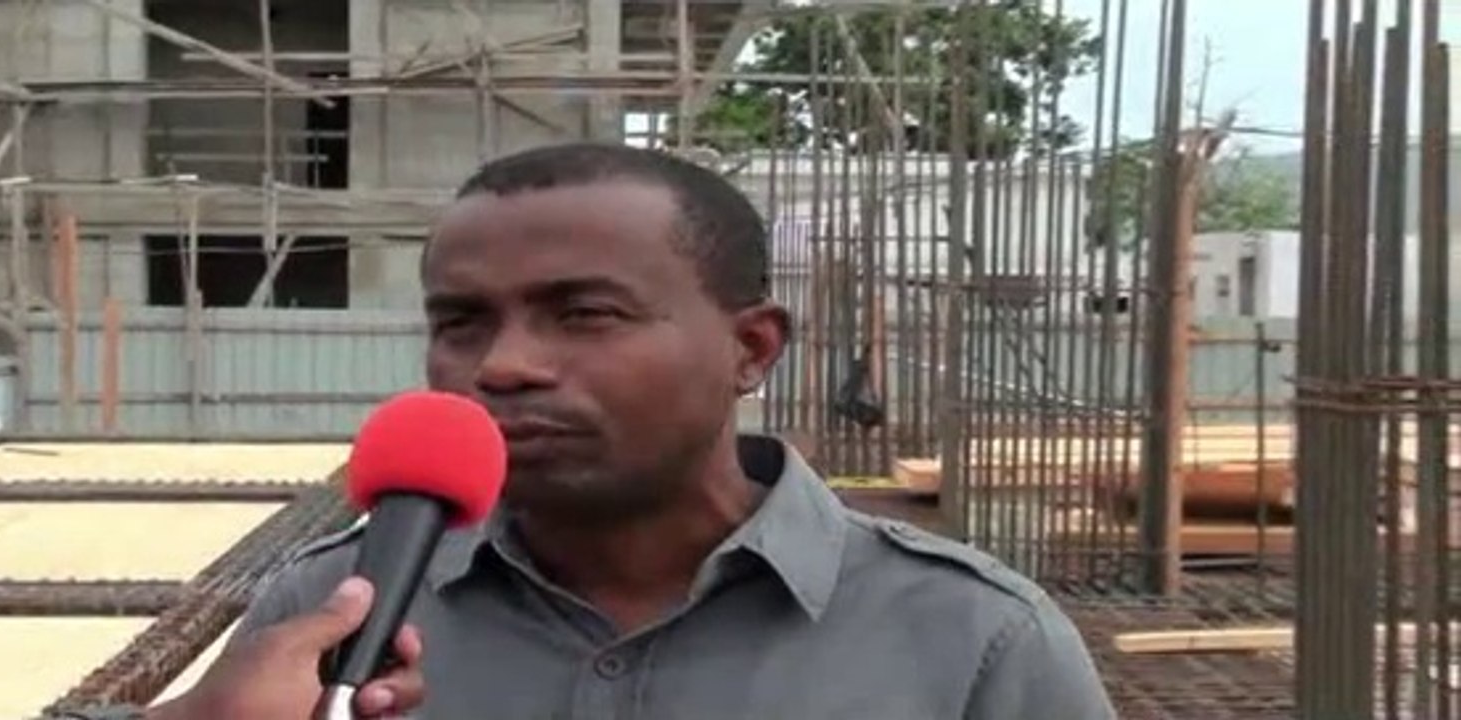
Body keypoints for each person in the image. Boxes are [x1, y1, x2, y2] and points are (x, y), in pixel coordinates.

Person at [150, 142, 1117, 719]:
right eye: (461, 323)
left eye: (585, 314)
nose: (502, 365)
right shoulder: (331, 608)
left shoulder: (974, 641)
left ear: (751, 348)